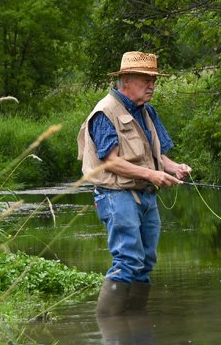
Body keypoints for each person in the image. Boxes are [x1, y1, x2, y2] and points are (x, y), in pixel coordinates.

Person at [77, 51, 192, 315]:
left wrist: (174, 168)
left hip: (145, 196)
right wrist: (152, 175)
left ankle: (136, 325)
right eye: (145, 79)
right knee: (127, 259)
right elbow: (110, 162)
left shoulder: (147, 111)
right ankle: (110, 325)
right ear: (126, 79)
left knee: (146, 262)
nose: (152, 85)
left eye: (154, 79)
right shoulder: (105, 111)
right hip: (116, 196)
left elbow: (157, 155)